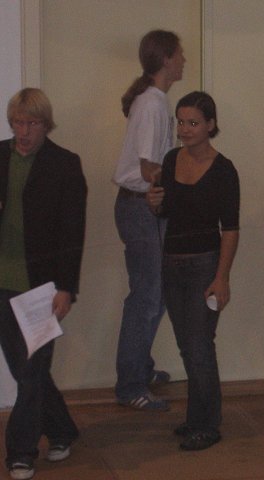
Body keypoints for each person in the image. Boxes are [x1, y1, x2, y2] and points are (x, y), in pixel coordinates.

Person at [0, 88, 87, 480]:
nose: (23, 132)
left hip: (42, 287)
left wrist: (66, 287)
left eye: (31, 124)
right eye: (17, 123)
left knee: (33, 372)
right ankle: (62, 430)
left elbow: (73, 232)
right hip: (2, 282)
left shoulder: (64, 164)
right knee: (25, 370)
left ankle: (20, 453)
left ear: (45, 124)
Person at [146, 91, 240, 451]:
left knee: (200, 346)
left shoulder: (224, 169)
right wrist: (154, 203)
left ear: (210, 125)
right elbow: (167, 212)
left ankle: (207, 424)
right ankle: (196, 417)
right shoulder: (171, 160)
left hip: (205, 264)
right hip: (172, 262)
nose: (185, 129)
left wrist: (222, 277)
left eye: (193, 123)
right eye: (181, 122)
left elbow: (230, 229)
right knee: (187, 346)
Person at [112, 30, 186, 411]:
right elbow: (147, 167)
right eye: (180, 54)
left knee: (154, 294)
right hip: (141, 207)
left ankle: (139, 367)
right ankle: (130, 385)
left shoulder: (155, 100)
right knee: (147, 296)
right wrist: (185, 182)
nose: (184, 60)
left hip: (145, 207)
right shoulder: (152, 103)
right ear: (167, 59)